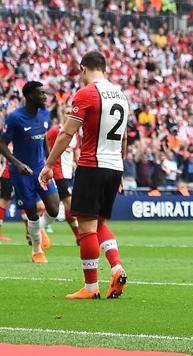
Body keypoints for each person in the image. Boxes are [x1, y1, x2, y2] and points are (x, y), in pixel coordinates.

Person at [39, 51, 129, 299]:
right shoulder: (121, 95)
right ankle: (117, 267)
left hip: (92, 165)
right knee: (100, 224)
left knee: (87, 228)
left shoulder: (87, 93)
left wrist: (48, 164)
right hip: (114, 167)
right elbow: (124, 138)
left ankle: (91, 288)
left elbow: (66, 134)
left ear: (82, 68)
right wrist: (119, 170)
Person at [0, 81, 59, 263]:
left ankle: (39, 229)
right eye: (41, 93)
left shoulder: (44, 114)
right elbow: (2, 144)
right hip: (22, 173)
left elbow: (44, 140)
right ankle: (37, 250)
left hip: (41, 169)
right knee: (31, 213)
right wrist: (17, 164)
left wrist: (49, 164)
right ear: (30, 96)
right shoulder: (15, 118)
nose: (44, 97)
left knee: (54, 209)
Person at [46, 111, 81, 240]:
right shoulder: (55, 130)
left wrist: (78, 165)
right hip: (56, 171)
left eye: (70, 113)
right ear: (62, 115)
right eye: (66, 112)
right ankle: (79, 237)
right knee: (68, 202)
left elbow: (77, 153)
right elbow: (46, 146)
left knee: (53, 204)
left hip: (67, 172)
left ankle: (38, 229)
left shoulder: (76, 134)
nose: (69, 115)